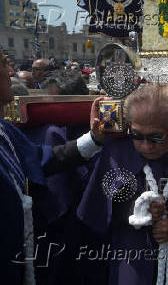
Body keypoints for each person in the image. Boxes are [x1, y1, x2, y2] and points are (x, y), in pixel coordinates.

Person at [77, 83, 168, 285]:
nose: (145, 146)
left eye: (156, 137)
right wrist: (135, 210)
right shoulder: (117, 148)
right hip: (132, 257)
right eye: (137, 135)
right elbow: (99, 207)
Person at [0, 50, 107, 285]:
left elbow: (41, 159)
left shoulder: (4, 131)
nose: (11, 72)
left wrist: (94, 138)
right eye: (4, 65)